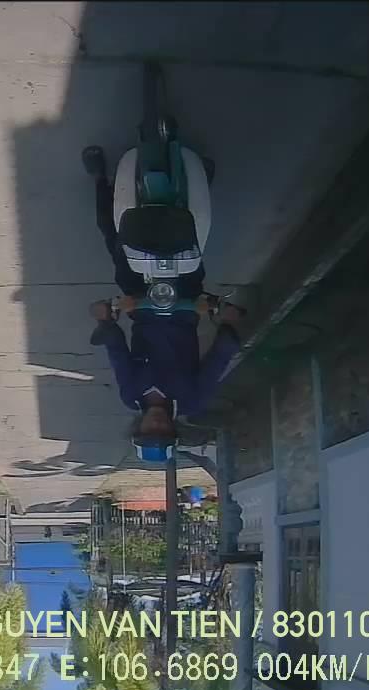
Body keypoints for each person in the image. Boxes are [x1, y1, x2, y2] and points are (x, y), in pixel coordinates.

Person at [82, 145, 243, 462]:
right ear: (173, 429)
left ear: (138, 428)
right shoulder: (192, 399)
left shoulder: (131, 395)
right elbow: (218, 361)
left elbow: (118, 355)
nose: (155, 425)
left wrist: (106, 320)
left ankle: (101, 178)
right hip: (187, 303)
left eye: (148, 431)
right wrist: (227, 321)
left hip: (140, 303)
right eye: (162, 431)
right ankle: (199, 189)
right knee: (194, 246)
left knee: (114, 237)